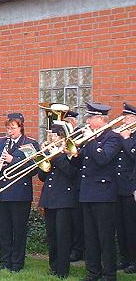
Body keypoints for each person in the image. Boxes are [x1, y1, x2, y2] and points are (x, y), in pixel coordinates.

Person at [71, 102, 122, 281]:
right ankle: (93, 272)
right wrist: (73, 154)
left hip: (104, 193)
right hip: (87, 193)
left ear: (100, 119)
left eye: (91, 118)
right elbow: (81, 164)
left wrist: (91, 140)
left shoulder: (113, 137)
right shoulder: (90, 138)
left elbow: (102, 159)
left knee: (105, 236)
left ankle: (109, 274)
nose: (88, 122)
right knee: (90, 236)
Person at [0, 112, 40, 272]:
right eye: (8, 128)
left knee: (18, 229)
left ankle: (17, 263)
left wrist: (13, 160)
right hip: (1, 192)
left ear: (21, 127)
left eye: (12, 128)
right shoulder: (1, 142)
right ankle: (4, 261)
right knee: (3, 229)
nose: (9, 131)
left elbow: (34, 169)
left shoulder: (30, 144)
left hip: (20, 194)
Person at [38, 123, 78, 278]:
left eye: (55, 136)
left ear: (63, 138)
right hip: (49, 198)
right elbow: (42, 177)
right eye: (51, 136)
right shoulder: (52, 152)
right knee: (52, 235)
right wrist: (44, 159)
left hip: (64, 199)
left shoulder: (70, 153)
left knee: (63, 235)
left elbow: (71, 172)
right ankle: (53, 266)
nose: (52, 139)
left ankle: (63, 269)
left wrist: (57, 156)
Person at [116, 102, 136, 274]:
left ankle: (134, 261)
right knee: (120, 225)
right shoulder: (122, 134)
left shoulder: (131, 136)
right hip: (118, 186)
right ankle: (124, 258)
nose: (125, 120)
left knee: (131, 225)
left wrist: (127, 138)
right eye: (124, 117)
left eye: (128, 117)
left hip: (131, 187)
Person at [64, 110, 85, 263]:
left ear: (73, 122)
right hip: (64, 183)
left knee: (77, 219)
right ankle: (68, 247)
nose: (68, 124)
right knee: (68, 220)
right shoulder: (61, 136)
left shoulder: (81, 135)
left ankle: (77, 250)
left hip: (77, 181)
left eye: (69, 121)